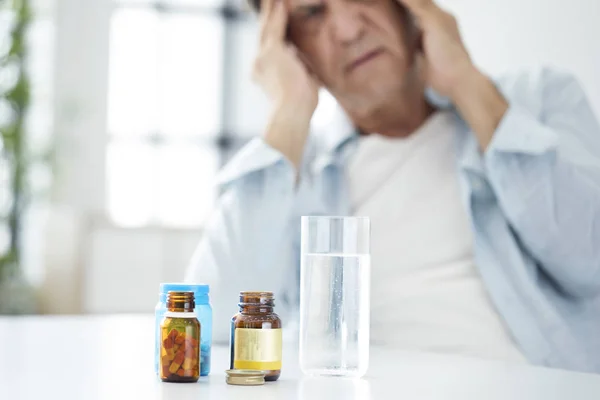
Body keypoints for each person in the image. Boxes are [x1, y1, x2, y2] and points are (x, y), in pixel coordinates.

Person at [185, 0, 600, 373]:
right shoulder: (294, 167)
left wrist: (466, 82)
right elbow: (217, 322)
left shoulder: (539, 102)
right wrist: (288, 112)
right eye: (312, 13)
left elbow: (589, 261)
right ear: (289, 46)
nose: (348, 30)